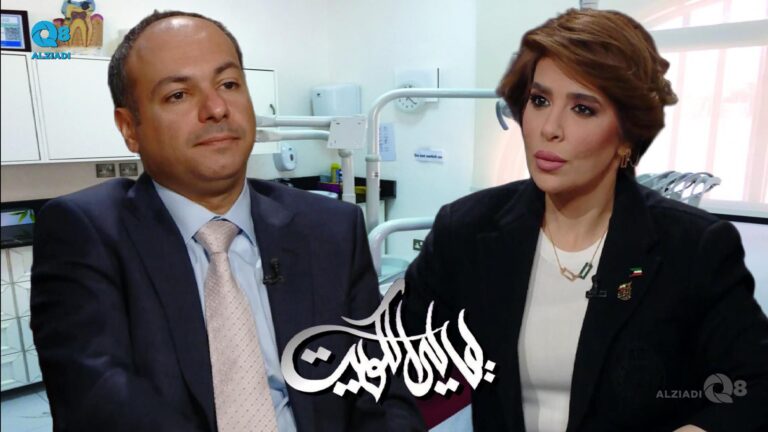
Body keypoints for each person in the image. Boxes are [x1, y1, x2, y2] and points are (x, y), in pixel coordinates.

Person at [30, 10, 424, 432]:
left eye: (229, 84)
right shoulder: (87, 232)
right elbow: (99, 402)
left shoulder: (331, 229)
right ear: (129, 128)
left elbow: (381, 388)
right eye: (178, 95)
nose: (216, 108)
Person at [402, 8, 768, 432]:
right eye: (539, 101)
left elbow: (755, 384)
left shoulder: (692, 247)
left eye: (582, 109)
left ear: (627, 135)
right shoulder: (466, 229)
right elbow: (396, 359)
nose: (549, 128)